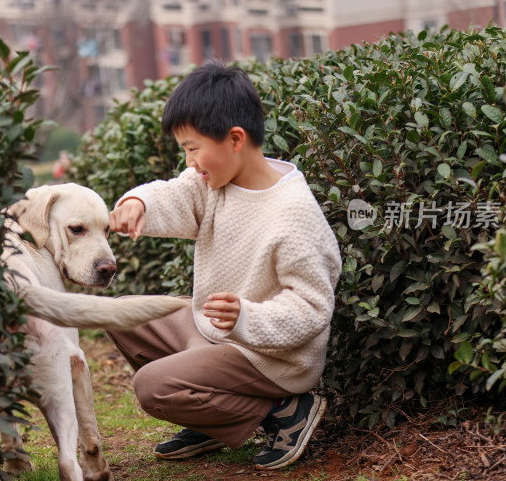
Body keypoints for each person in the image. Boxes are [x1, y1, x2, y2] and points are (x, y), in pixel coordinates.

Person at [106, 61, 342, 471]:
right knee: (121, 315)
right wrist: (138, 202)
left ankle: (286, 411)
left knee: (151, 386)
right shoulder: (216, 183)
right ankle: (208, 417)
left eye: (193, 148)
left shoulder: (293, 213)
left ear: (235, 139)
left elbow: (312, 308)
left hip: (268, 357)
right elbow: (176, 194)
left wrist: (245, 317)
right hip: (214, 331)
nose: (191, 161)